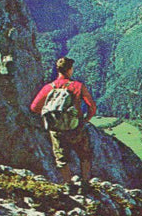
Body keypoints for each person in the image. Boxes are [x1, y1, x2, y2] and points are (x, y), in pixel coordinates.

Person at [29, 56, 98, 192]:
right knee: (84, 155)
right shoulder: (78, 86)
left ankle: (69, 185)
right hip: (75, 127)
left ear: (58, 70)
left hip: (56, 128)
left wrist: (51, 115)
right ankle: (85, 184)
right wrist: (84, 120)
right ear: (70, 70)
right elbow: (92, 107)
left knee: (61, 158)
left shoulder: (48, 88)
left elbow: (34, 107)